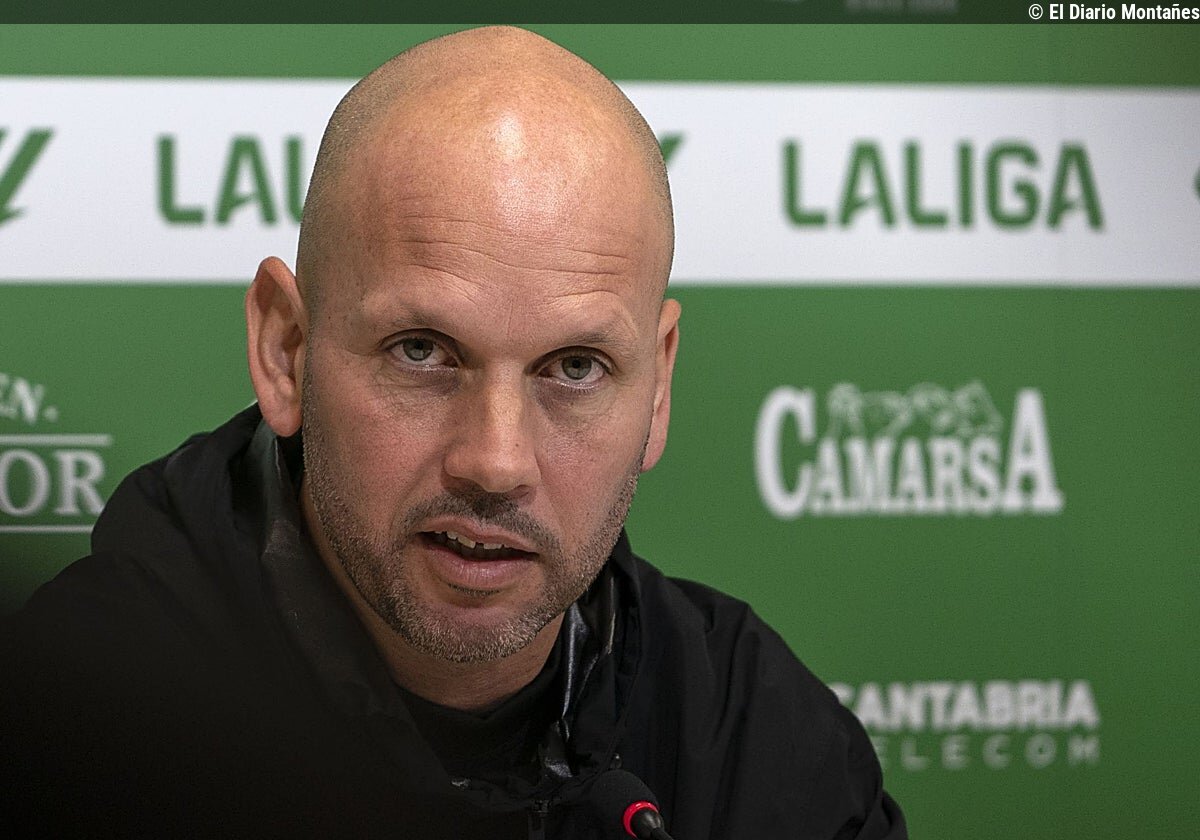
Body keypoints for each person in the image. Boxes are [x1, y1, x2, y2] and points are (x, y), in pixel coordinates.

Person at [1, 26, 905, 840]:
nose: (496, 463)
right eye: (422, 352)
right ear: (286, 351)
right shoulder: (68, 734)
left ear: (658, 386)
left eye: (574, 367)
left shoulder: (761, 744)